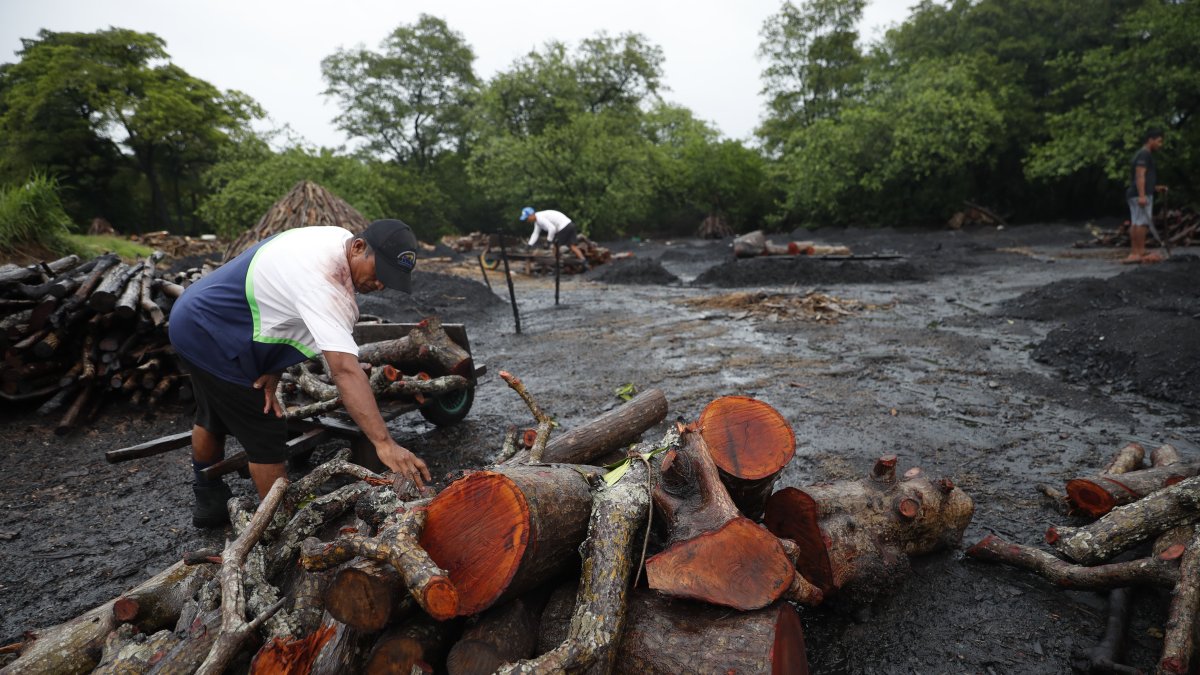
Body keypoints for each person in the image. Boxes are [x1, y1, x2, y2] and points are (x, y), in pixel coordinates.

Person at [168, 219, 432, 528]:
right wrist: (385, 443)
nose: (380, 285)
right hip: (210, 331)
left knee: (212, 416)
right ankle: (281, 529)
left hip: (197, 316)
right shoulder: (324, 280)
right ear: (359, 248)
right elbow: (345, 371)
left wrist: (274, 366)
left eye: (390, 280)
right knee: (266, 435)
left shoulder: (336, 240)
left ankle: (209, 499)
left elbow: (283, 303)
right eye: (380, 274)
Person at [1123, 127, 1168, 264]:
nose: (1160, 145)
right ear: (1150, 140)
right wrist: (1143, 195)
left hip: (1135, 193)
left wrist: (1155, 188)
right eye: (1159, 141)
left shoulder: (1141, 154)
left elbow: (1143, 178)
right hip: (1139, 194)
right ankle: (1140, 251)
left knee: (1136, 222)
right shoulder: (1144, 154)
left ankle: (1134, 252)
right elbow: (1140, 175)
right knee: (1142, 223)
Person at [521, 206, 587, 264]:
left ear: (531, 215)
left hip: (564, 227)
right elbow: (535, 233)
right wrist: (529, 245)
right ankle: (584, 262)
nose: (527, 220)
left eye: (527, 218)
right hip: (570, 225)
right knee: (572, 246)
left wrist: (548, 242)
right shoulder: (537, 221)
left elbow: (552, 229)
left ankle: (557, 265)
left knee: (555, 247)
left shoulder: (540, 218)